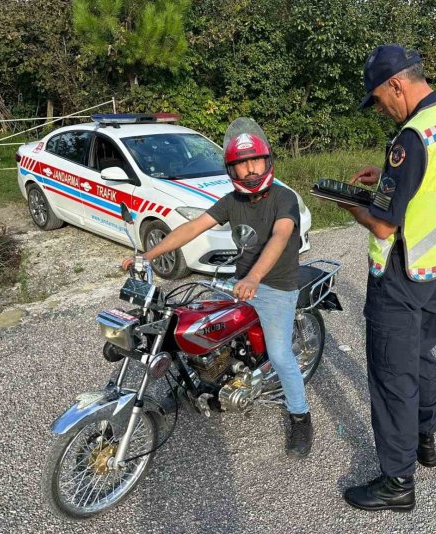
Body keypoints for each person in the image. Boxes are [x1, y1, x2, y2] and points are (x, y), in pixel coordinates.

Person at [121, 120, 313, 458]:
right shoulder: (230, 201)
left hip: (276, 285)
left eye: (255, 161)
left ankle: (300, 416)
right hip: (241, 282)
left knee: (282, 355)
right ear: (232, 169)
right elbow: (194, 226)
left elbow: (281, 236)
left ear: (267, 161)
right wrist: (149, 254)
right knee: (195, 324)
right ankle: (198, 382)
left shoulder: (284, 198)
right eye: (242, 164)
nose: (251, 171)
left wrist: (254, 277)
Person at [338, 44, 436, 512]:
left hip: (399, 271)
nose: (381, 109)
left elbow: (383, 224)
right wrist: (387, 179)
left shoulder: (410, 138)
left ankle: (397, 481)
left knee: (392, 374)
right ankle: (424, 440)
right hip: (435, 266)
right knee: (420, 356)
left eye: (378, 99)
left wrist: (351, 204)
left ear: (397, 84)